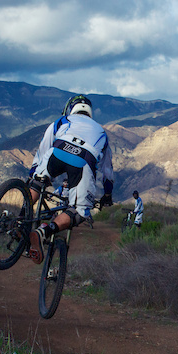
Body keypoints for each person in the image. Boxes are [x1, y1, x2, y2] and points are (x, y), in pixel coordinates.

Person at [26, 95, 113, 263]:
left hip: (57, 151)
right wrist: (107, 194)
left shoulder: (62, 120)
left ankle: (21, 221)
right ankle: (43, 231)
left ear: (70, 108)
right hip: (83, 161)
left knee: (37, 184)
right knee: (79, 212)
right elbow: (107, 170)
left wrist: (33, 175)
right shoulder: (102, 132)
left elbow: (43, 149)